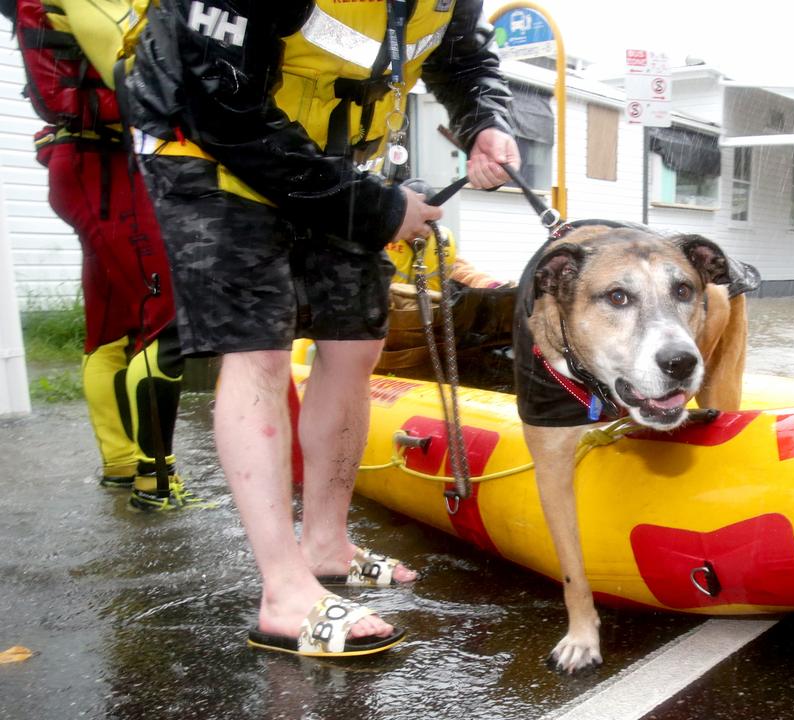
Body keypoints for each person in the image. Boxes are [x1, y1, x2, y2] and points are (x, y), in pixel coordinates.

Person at [123, 0, 518, 656]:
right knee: (258, 352)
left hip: (339, 161)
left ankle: (327, 544)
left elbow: (464, 59)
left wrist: (486, 121)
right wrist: (379, 207)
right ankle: (283, 593)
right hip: (206, 147)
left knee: (355, 344)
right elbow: (221, 104)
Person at [3, 0, 189, 511]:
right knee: (162, 323)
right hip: (105, 167)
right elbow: (144, 76)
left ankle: (122, 464)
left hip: (86, 165)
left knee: (112, 327)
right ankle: (157, 482)